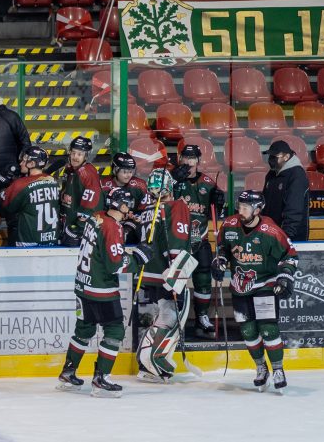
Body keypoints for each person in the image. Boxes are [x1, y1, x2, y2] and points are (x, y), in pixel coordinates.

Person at [57, 187, 152, 397]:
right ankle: (101, 379)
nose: (131, 207)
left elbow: (103, 245)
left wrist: (125, 229)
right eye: (128, 204)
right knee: (115, 330)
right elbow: (115, 264)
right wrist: (137, 259)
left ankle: (68, 373)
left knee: (84, 329)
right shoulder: (112, 227)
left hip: (83, 285)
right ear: (123, 206)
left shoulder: (97, 217)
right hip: (101, 290)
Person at [212, 190, 298, 392]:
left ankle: (278, 369)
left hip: (265, 285)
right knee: (248, 332)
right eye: (239, 206)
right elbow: (222, 248)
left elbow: (290, 255)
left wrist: (285, 276)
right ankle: (261, 368)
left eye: (245, 207)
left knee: (268, 329)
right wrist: (220, 260)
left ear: (258, 210)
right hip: (240, 287)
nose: (240, 211)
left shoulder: (271, 231)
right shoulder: (229, 225)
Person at [134, 169, 194, 384]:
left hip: (147, 273)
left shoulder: (148, 208)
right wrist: (176, 274)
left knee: (160, 319)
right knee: (171, 320)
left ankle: (144, 363)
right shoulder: (177, 206)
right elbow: (178, 240)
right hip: (167, 274)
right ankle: (154, 362)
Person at [171, 144, 225, 339]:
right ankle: (175, 318)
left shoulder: (208, 182)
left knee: (203, 279)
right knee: (176, 281)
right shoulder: (172, 180)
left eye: (192, 158)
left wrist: (220, 202)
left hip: (200, 238)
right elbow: (159, 199)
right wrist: (172, 180)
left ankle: (201, 316)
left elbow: (219, 213)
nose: (188, 162)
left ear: (198, 161)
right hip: (178, 241)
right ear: (180, 159)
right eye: (185, 158)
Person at [0, 146, 60, 247]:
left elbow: (5, 207)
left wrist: (3, 190)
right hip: (51, 240)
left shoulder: (20, 184)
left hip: (27, 241)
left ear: (31, 164)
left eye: (24, 160)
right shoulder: (53, 181)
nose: (21, 163)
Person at [262, 140, 310, 241]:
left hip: (290, 238)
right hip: (270, 234)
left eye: (275, 157)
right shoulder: (271, 174)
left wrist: (286, 237)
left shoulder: (297, 175)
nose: (271, 160)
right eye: (270, 156)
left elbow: (294, 209)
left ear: (286, 157)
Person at [60, 136, 103, 246]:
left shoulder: (87, 173)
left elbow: (91, 204)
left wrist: (79, 227)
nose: (75, 157)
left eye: (79, 154)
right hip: (68, 222)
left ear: (86, 156)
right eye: (73, 153)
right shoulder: (70, 170)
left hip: (80, 231)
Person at [100, 152, 149, 243]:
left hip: (130, 224)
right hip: (108, 222)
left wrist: (136, 216)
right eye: (124, 172)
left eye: (131, 171)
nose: (128, 175)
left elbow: (145, 211)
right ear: (115, 170)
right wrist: (108, 213)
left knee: (126, 234)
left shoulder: (140, 186)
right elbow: (96, 210)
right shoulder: (103, 185)